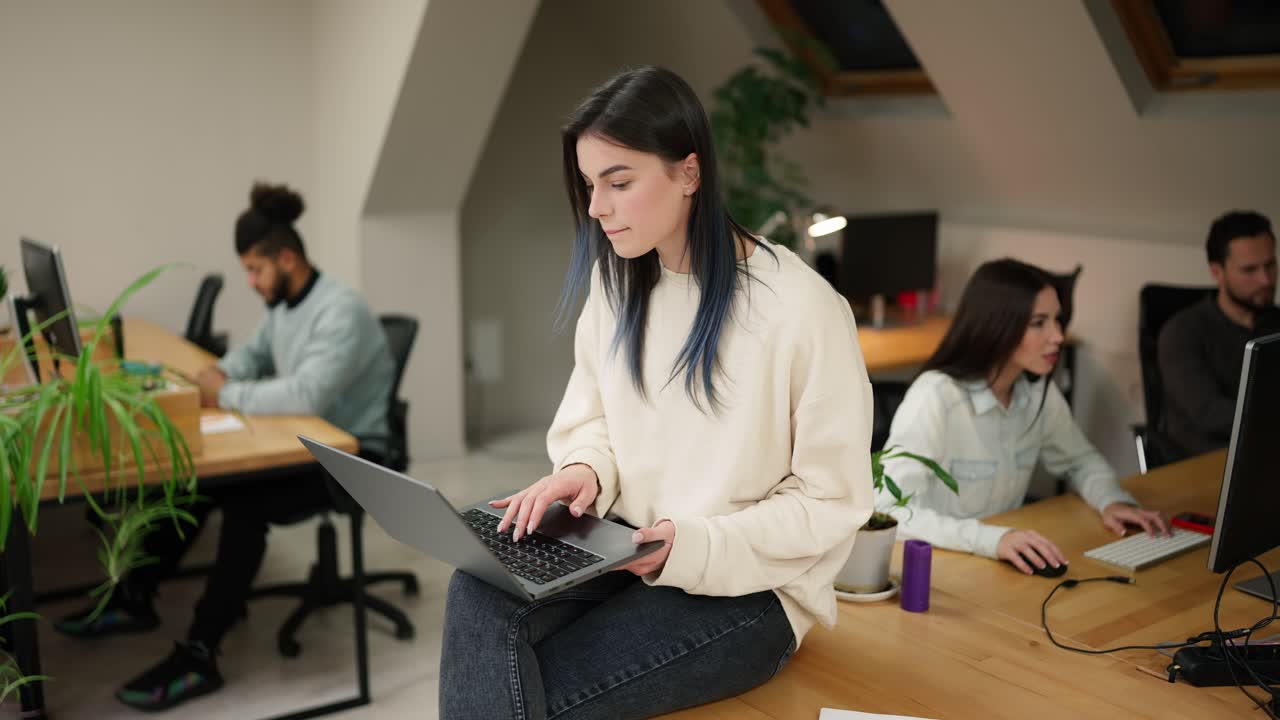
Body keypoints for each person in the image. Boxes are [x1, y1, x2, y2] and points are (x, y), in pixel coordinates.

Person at [437, 66, 874, 719]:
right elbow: (594, 422)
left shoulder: (801, 309)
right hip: (624, 548)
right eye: (589, 185)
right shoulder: (617, 285)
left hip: (752, 589)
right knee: (476, 588)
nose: (596, 208)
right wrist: (584, 471)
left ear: (689, 173)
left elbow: (830, 502)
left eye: (618, 183)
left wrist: (688, 544)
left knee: (536, 690)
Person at [56, 182, 396, 712]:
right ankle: (136, 595)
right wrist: (216, 375)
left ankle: (200, 654)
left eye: (256, 270)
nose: (251, 282)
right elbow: (251, 356)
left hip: (352, 458)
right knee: (197, 480)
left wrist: (225, 393)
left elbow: (308, 394)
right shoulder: (284, 305)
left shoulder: (340, 310)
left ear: (286, 259)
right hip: (305, 440)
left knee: (244, 505)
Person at [878, 259, 1170, 575]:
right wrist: (990, 540)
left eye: (1057, 320)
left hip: (1000, 567)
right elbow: (887, 510)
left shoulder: (1037, 393)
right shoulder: (935, 396)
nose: (1057, 336)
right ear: (998, 325)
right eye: (1039, 323)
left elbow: (1081, 461)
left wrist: (1112, 501)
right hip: (939, 569)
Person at [1158, 210, 1279, 460]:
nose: (1265, 280)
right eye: (1249, 270)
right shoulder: (1183, 332)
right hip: (1206, 464)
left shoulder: (1274, 323)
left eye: (1270, 265)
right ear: (1217, 272)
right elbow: (1209, 414)